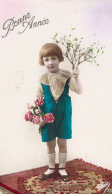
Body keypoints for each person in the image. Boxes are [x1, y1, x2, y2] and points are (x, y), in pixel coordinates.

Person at [36, 43, 83, 182]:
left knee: (62, 141)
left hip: (64, 114)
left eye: (53, 58)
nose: (50, 63)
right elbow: (38, 99)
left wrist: (76, 77)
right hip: (47, 115)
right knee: (50, 142)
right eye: (46, 60)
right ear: (42, 61)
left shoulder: (66, 75)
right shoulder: (42, 79)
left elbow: (79, 91)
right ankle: (51, 168)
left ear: (59, 59)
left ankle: (62, 168)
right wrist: (40, 116)